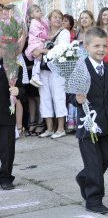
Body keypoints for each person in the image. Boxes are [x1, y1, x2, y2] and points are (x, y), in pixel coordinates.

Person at [70, 27, 108, 214]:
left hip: (104, 123)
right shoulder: (80, 67)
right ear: (87, 46)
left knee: (107, 157)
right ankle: (94, 199)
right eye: (96, 45)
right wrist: (77, 99)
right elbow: (71, 96)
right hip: (87, 124)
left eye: (104, 46)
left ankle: (84, 178)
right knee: (94, 164)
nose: (101, 49)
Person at [36, 9, 70, 139]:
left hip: (57, 70)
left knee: (58, 98)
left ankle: (61, 128)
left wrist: (42, 50)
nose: (57, 19)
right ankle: (50, 128)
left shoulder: (64, 32)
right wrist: (36, 51)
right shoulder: (43, 33)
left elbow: (60, 49)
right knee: (44, 98)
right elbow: (35, 47)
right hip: (44, 69)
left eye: (59, 17)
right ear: (49, 19)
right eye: (54, 17)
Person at [0, 44, 25, 190]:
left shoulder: (15, 68)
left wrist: (18, 91)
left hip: (6, 114)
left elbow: (23, 91)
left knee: (7, 148)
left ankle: (6, 177)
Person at [25, 5, 49, 87]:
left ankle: (35, 76)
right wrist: (48, 36)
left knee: (37, 59)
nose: (40, 12)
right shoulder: (34, 22)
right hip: (35, 43)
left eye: (40, 10)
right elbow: (39, 34)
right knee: (38, 58)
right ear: (32, 15)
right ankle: (35, 75)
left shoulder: (40, 21)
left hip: (38, 43)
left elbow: (46, 27)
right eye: (37, 11)